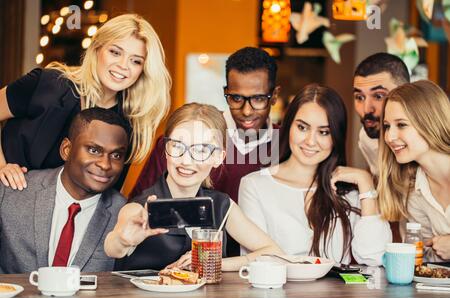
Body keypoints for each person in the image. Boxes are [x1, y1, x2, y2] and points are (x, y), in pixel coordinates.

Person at [129, 47, 281, 256]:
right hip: (180, 260)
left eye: (258, 99)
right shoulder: (185, 138)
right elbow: (139, 207)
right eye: (236, 98)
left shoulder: (286, 144)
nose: (247, 110)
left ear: (274, 97)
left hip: (249, 264)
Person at [0, 14, 171, 191]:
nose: (123, 65)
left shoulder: (129, 123)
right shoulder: (48, 84)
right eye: (115, 52)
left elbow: (106, 196)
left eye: (136, 61)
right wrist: (2, 166)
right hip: (8, 196)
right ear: (97, 49)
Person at [104, 103, 284, 271]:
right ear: (165, 149)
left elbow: (274, 253)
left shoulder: (222, 205)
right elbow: (113, 247)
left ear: (218, 158)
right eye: (177, 146)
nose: (186, 160)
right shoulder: (139, 207)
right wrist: (123, 240)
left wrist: (215, 262)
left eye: (201, 150)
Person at [239, 84, 392, 266]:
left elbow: (374, 257)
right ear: (289, 126)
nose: (310, 141)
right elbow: (257, 262)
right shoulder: (255, 185)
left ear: (336, 137)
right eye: (302, 128)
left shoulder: (350, 190)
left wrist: (366, 184)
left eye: (324, 132)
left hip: (335, 295)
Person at [0, 108, 130, 273]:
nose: (105, 164)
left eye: (116, 155)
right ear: (66, 150)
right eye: (94, 150)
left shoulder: (124, 214)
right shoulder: (12, 192)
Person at [378, 80, 450, 262]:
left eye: (401, 125)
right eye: (387, 126)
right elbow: (427, 261)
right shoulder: (412, 192)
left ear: (430, 122)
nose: (390, 137)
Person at [353, 52, 410, 176]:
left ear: (406, 94)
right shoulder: (366, 138)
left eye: (378, 96)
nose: (367, 109)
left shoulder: (428, 142)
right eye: (359, 97)